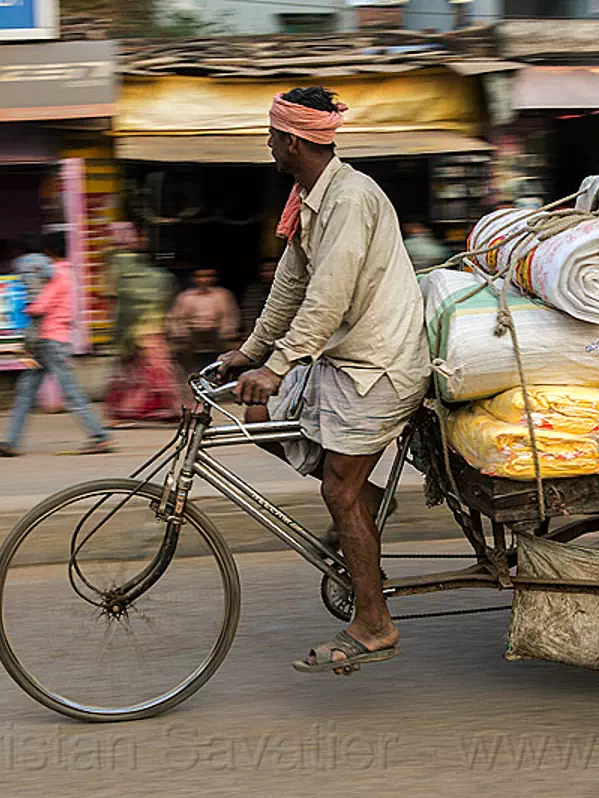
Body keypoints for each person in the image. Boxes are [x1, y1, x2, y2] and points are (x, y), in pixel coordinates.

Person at [216, 86, 430, 675]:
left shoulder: (351, 198)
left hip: (381, 366)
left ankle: (374, 624)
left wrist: (279, 365)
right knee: (261, 417)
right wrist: (251, 353)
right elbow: (290, 286)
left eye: (271, 136)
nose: (267, 144)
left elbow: (328, 296)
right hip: (346, 361)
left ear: (290, 140)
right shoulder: (309, 197)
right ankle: (368, 511)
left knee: (337, 489)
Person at [0, 231, 115, 457]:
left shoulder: (57, 274)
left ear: (48, 252)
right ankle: (10, 442)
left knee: (69, 393)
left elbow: (41, 305)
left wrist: (25, 309)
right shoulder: (69, 273)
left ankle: (100, 437)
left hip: (50, 341)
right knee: (27, 392)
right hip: (52, 340)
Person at [103, 225, 183, 424]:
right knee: (154, 369)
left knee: (144, 370)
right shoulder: (151, 273)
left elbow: (114, 300)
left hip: (137, 328)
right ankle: (169, 408)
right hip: (150, 326)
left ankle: (165, 409)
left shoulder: (116, 264)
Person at [167, 267, 239, 378]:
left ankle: (218, 378)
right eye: (200, 276)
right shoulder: (185, 297)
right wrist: (181, 335)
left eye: (208, 276)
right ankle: (190, 377)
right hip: (191, 335)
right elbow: (177, 318)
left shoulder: (223, 295)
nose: (204, 280)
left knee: (228, 356)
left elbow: (230, 317)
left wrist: (226, 333)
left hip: (216, 334)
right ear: (194, 279)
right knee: (182, 357)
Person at [239, 259, 278, 338]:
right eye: (265, 271)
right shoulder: (253, 292)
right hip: (256, 336)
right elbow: (249, 317)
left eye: (272, 270)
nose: (269, 274)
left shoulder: (288, 292)